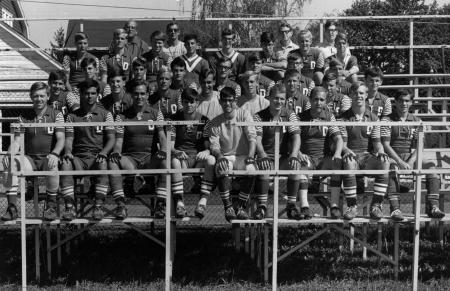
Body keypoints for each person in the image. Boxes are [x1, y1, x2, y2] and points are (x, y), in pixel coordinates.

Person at [1, 82, 65, 221]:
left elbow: (61, 139)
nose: (39, 99)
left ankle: (51, 206)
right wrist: (9, 154)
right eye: (35, 96)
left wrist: (55, 153)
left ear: (48, 96)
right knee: (10, 163)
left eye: (42, 96)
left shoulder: (57, 114)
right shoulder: (23, 116)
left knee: (52, 163)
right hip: (30, 159)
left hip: (49, 157)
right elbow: (17, 141)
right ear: (31, 97)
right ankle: (12, 208)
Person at [381, 90, 445, 220]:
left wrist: (410, 161)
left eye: (407, 101)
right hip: (393, 156)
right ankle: (395, 209)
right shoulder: (387, 119)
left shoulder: (417, 120)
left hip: (411, 156)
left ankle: (433, 206)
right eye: (401, 100)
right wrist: (400, 161)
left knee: (432, 167)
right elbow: (386, 145)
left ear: (411, 102)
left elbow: (420, 145)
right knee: (391, 168)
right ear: (396, 102)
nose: (404, 103)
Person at [108, 81, 168, 219]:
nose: (139, 97)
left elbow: (162, 137)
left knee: (166, 161)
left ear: (147, 95)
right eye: (136, 94)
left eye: (142, 93)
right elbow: (118, 141)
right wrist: (116, 152)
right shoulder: (121, 116)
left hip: (149, 159)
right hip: (130, 159)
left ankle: (160, 205)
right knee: (112, 162)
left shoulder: (156, 114)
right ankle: (121, 206)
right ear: (131, 95)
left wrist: (163, 151)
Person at [60, 79, 115, 221]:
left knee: (103, 163)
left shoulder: (106, 114)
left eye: (93, 93)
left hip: (98, 156)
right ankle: (69, 208)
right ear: (80, 95)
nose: (90, 96)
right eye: (86, 93)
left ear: (97, 95)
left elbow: (111, 139)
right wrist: (67, 152)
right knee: (65, 163)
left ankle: (98, 207)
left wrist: (104, 152)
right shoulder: (72, 117)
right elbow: (69, 139)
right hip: (79, 158)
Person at [338, 81, 390, 220]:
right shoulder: (343, 118)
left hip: (367, 157)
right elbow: (342, 144)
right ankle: (352, 206)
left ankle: (376, 206)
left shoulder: (373, 118)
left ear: (366, 95)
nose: (358, 95)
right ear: (350, 95)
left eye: (361, 93)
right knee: (348, 162)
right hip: (352, 155)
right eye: (355, 93)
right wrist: (347, 151)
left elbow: (377, 143)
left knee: (384, 162)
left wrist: (380, 151)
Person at [253, 84, 302, 219]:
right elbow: (257, 139)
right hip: (266, 155)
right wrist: (262, 155)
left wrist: (293, 155)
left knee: (296, 167)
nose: (279, 102)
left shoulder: (290, 114)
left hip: (283, 156)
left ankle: (291, 206)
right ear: (269, 97)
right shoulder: (259, 116)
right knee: (264, 168)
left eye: (282, 99)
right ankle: (262, 206)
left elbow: (296, 136)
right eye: (276, 98)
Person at [209, 87, 257, 222]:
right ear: (220, 101)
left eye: (230, 100)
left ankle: (241, 207)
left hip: (243, 156)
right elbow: (214, 145)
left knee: (252, 169)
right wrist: (219, 157)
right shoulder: (215, 121)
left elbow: (252, 136)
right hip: (226, 156)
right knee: (221, 167)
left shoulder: (244, 114)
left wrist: (251, 156)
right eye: (224, 100)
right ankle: (228, 207)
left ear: (235, 101)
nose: (227, 104)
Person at [169, 88, 216, 219]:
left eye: (192, 102)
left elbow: (208, 145)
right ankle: (179, 203)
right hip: (182, 159)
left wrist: (206, 151)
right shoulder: (174, 120)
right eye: (186, 102)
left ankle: (202, 202)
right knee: (174, 161)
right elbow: (170, 146)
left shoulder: (204, 120)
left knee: (211, 160)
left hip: (197, 159)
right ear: (182, 103)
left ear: (197, 103)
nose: (189, 105)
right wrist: (176, 151)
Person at [297, 87, 344, 219]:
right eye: (316, 99)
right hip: (307, 158)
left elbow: (339, 139)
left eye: (322, 100)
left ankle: (334, 206)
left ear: (326, 101)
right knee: (302, 164)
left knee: (337, 163)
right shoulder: (301, 117)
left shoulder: (329, 117)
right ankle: (304, 206)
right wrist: (298, 152)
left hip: (324, 159)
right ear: (310, 100)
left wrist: (337, 153)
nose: (318, 102)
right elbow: (292, 139)